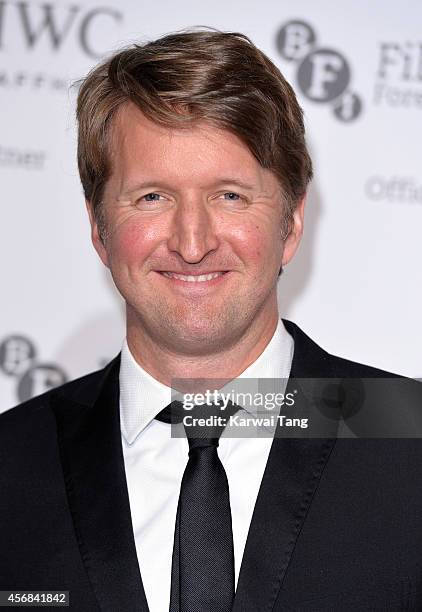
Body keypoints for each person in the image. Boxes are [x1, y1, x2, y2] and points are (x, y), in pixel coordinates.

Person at [1, 29, 422, 612]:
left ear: (292, 223)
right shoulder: (11, 463)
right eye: (152, 197)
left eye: (229, 196)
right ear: (99, 228)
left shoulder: (412, 440)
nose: (192, 242)